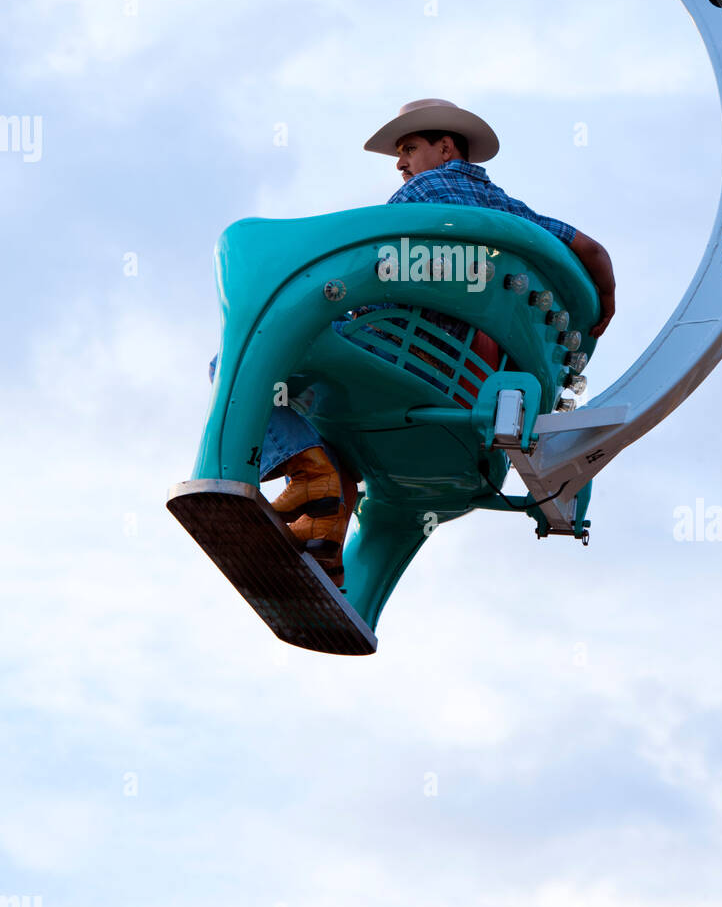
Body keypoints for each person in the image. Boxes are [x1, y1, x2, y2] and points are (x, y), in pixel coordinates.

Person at [215, 99, 616, 587]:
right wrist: (605, 303)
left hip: (407, 364)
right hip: (472, 415)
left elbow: (373, 274)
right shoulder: (513, 215)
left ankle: (287, 477)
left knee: (241, 360)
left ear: (445, 148)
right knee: (328, 425)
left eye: (408, 149)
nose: (402, 164)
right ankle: (324, 538)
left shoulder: (425, 195)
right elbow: (593, 251)